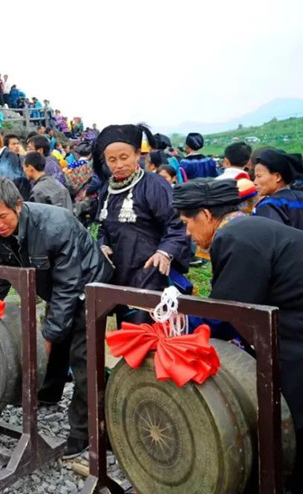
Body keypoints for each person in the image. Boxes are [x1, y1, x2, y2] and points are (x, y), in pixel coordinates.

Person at [173, 178, 303, 492]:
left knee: (296, 416)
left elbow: (230, 313)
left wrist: (181, 321)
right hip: (291, 317)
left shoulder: (233, 236)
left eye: (188, 223)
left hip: (295, 330)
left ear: (205, 214)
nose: (188, 233)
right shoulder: (248, 226)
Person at [0, 176, 111, 458]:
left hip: (89, 288)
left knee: (83, 357)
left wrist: (49, 337)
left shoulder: (56, 224)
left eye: (2, 216)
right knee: (55, 339)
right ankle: (49, 393)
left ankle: (85, 432)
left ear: (18, 205)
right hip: (57, 290)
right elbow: (3, 274)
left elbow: (69, 287)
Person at [94, 124, 189, 321]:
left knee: (149, 334)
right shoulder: (107, 190)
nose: (118, 165)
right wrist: (102, 244)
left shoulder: (154, 185)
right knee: (126, 331)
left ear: (138, 154)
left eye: (124, 157)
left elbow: (177, 224)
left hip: (150, 272)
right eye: (112, 160)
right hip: (120, 272)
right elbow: (104, 226)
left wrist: (164, 252)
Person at [252, 148, 303, 231]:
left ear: (277, 177)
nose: (255, 182)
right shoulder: (300, 196)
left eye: (259, 176)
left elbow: (273, 239)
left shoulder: (268, 205)